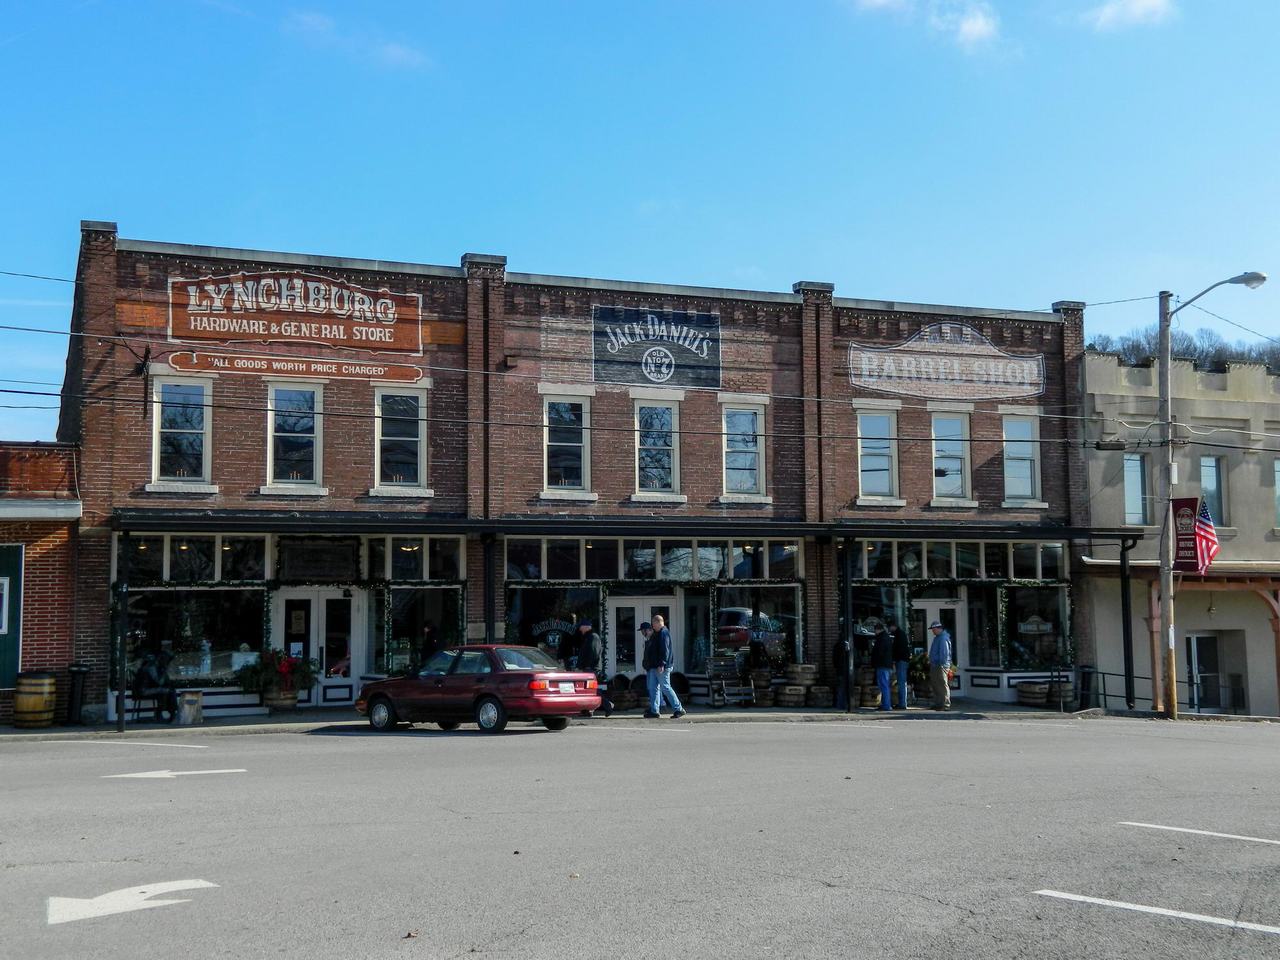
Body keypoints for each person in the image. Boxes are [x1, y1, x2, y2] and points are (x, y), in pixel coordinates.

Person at [642, 615, 685, 719]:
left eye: (653, 624)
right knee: (653, 688)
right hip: (654, 666)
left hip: (662, 666)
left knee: (665, 687)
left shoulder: (663, 633)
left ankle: (678, 709)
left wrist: (662, 664)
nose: (652, 626)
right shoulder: (657, 633)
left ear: (657, 623)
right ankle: (654, 710)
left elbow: (665, 650)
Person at [575, 619, 612, 718]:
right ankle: (587, 711)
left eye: (581, 627)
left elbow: (593, 653)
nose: (580, 629)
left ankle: (608, 705)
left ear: (586, 626)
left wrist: (586, 666)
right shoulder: (589, 637)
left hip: (590, 669)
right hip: (588, 668)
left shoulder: (593, 637)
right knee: (587, 690)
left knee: (593, 690)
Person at [132, 653, 177, 723]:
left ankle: (169, 713)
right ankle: (169, 713)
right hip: (143, 690)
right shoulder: (150, 668)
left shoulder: (148, 667)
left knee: (168, 691)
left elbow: (161, 682)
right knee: (168, 691)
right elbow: (159, 682)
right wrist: (164, 671)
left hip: (145, 689)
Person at [928, 620, 952, 712]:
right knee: (936, 685)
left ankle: (945, 704)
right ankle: (938, 703)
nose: (933, 631)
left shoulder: (943, 638)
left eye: (933, 629)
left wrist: (941, 664)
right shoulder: (937, 638)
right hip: (935, 665)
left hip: (941, 665)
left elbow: (944, 654)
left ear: (939, 628)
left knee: (942, 684)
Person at [871, 625, 894, 712]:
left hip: (882, 665)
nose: (874, 632)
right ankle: (885, 704)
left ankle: (886, 705)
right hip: (886, 664)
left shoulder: (882, 639)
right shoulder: (886, 638)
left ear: (878, 630)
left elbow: (879, 652)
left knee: (883, 685)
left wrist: (874, 661)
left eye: (875, 630)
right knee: (884, 685)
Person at [891, 622, 911, 710]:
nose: (889, 629)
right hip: (903, 659)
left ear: (893, 626)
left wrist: (895, 659)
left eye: (890, 627)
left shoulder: (899, 635)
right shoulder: (901, 634)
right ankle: (902, 702)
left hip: (901, 660)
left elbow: (898, 649)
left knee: (901, 682)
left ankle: (902, 703)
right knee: (902, 682)